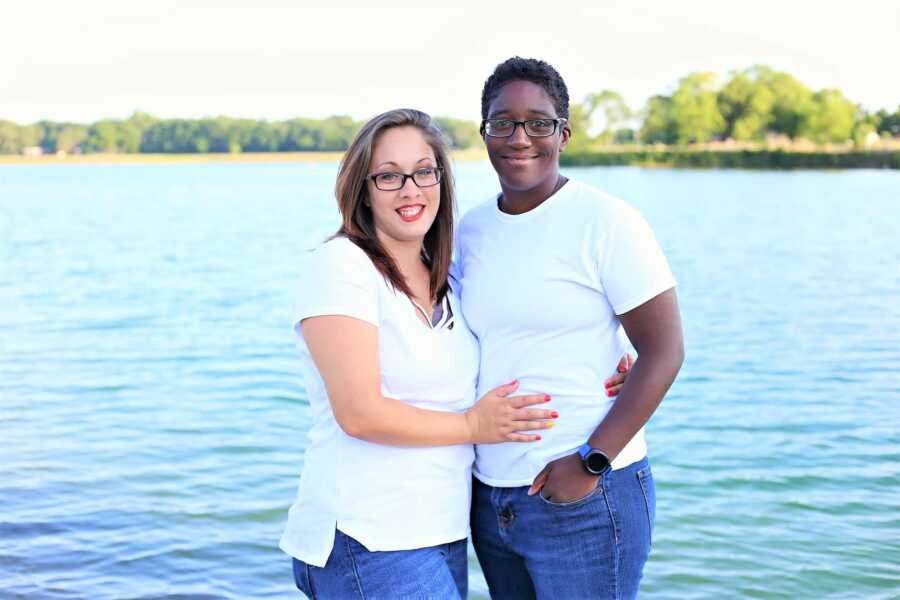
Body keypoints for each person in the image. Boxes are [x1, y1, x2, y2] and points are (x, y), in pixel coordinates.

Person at [279, 108, 633, 599]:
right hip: (368, 536)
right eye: (388, 176)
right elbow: (358, 414)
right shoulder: (342, 267)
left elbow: (515, 330)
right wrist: (474, 427)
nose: (410, 189)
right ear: (361, 188)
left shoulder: (445, 274)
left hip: (442, 531)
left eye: (424, 172)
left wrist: (607, 358)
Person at [455, 57, 685, 600]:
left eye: (538, 122)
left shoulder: (607, 222)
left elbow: (665, 350)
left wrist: (591, 461)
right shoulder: (470, 229)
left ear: (564, 133)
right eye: (502, 122)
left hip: (585, 495)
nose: (519, 138)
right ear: (484, 131)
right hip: (492, 497)